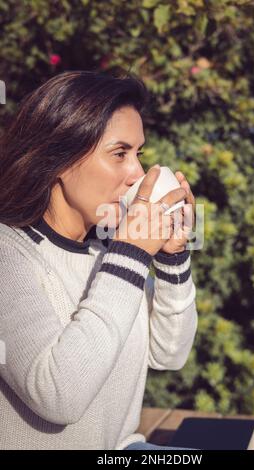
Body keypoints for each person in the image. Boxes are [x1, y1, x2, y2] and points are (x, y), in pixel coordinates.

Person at [0, 70, 198, 450]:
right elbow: (58, 395)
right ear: (59, 157)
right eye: (119, 153)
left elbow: (169, 353)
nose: (137, 174)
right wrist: (133, 252)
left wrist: (171, 257)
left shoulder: (106, 252)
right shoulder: (10, 254)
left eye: (138, 154)